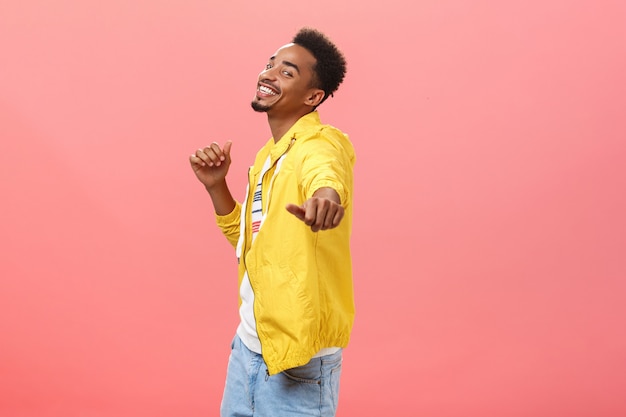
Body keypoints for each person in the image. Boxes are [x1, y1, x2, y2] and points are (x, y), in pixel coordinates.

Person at [189, 27, 355, 417]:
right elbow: (251, 244)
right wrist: (217, 187)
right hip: (248, 348)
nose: (268, 74)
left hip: (296, 368)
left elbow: (327, 173)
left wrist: (326, 197)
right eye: (270, 65)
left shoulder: (321, 144)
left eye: (287, 72)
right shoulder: (269, 156)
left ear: (313, 97)